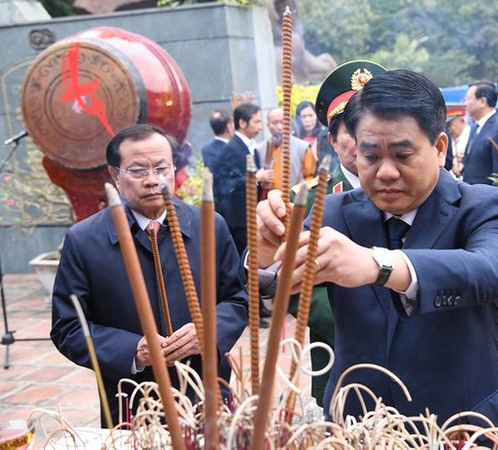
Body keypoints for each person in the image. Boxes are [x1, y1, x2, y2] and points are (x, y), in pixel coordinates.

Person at [254, 69, 498, 447]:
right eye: (369, 155)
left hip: (468, 427)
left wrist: (379, 265)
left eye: (403, 155)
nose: (385, 172)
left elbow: (489, 271)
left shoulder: (483, 206)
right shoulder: (331, 211)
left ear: (438, 147)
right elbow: (267, 280)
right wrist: (266, 252)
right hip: (359, 427)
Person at [50, 125, 247, 427]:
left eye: (161, 168)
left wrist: (210, 330)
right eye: (138, 170)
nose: (153, 180)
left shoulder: (209, 224)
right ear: (114, 176)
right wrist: (132, 350)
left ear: (174, 169)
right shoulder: (84, 240)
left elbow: (237, 299)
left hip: (204, 389)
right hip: (130, 397)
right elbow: (68, 327)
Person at [284, 59, 387, 406]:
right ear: (331, 137)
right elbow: (298, 287)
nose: (363, 139)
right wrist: (357, 321)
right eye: (351, 128)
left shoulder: (415, 188)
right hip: (339, 351)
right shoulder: (309, 198)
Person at [213, 102, 268, 254]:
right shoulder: (231, 149)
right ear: (242, 123)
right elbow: (225, 183)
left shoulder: (251, 146)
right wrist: (255, 177)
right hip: (237, 219)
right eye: (256, 122)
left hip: (249, 214)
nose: (260, 126)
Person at [461, 81, 498, 185]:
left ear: (482, 101)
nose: (465, 103)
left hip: (486, 196)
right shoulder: (475, 127)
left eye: (468, 99)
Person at [256, 106, 316, 200]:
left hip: (294, 202)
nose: (279, 127)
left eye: (283, 122)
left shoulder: (302, 148)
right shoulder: (259, 149)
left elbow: (311, 179)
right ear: (268, 125)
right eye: (275, 123)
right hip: (267, 203)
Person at [446, 108, 469, 180]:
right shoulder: (452, 139)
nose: (449, 129)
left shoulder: (469, 138)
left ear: (462, 121)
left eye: (450, 125)